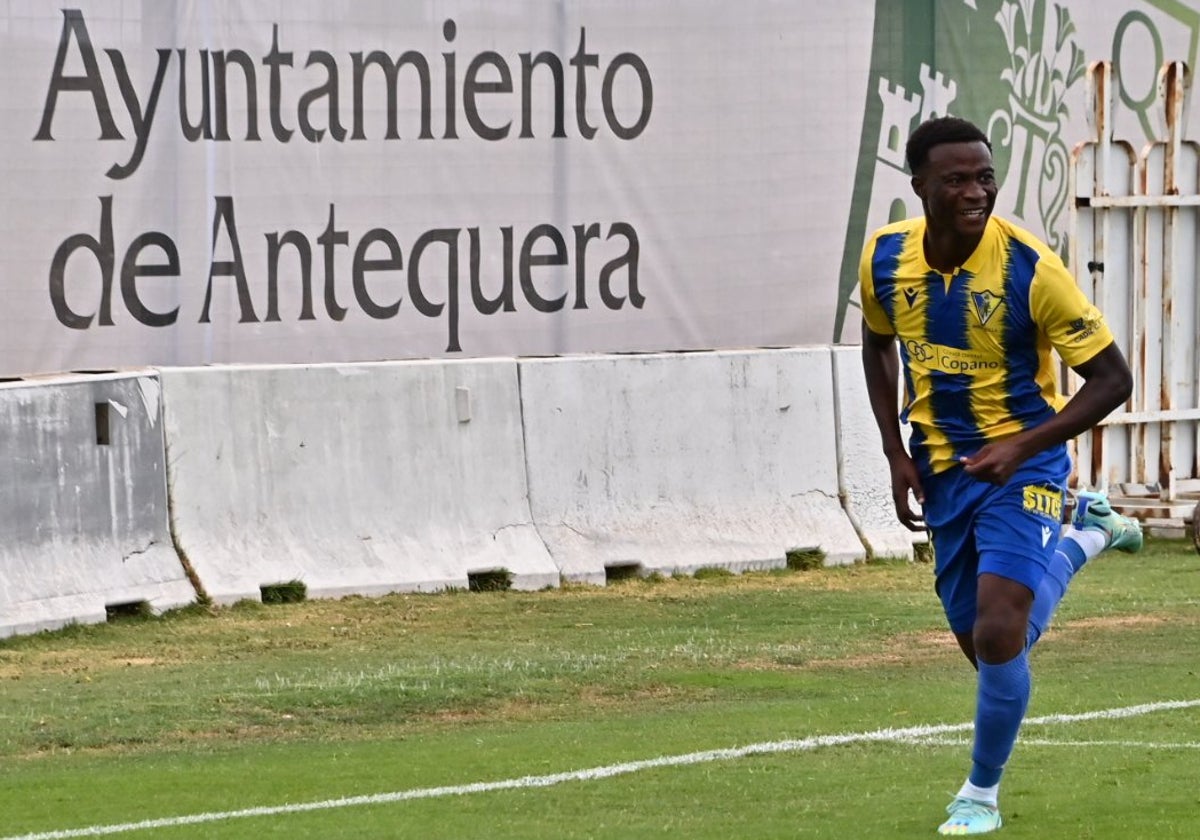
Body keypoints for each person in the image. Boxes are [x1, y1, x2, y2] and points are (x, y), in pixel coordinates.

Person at [858, 116, 1143, 835]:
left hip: (1027, 464)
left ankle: (979, 796)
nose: (976, 191)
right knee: (987, 648)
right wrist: (895, 452)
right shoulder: (885, 259)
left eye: (984, 176)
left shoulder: (1030, 269)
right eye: (956, 179)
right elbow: (876, 345)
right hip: (943, 470)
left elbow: (1113, 379)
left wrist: (1023, 446)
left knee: (997, 631)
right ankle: (1086, 538)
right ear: (919, 184)